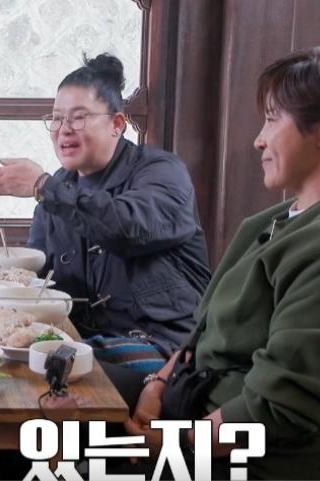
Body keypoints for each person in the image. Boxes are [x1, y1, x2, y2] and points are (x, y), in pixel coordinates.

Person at [122, 47, 320, 480]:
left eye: (272, 119)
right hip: (193, 403)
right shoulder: (269, 223)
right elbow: (202, 332)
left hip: (249, 457)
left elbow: (277, 405)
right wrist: (157, 386)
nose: (258, 139)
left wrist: (172, 444)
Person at [0, 54, 210, 374]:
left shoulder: (162, 171)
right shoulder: (58, 188)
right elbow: (39, 281)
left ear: (116, 124)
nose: (63, 130)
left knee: (46, 370)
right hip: (86, 339)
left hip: (166, 349)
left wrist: (43, 187)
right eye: (57, 119)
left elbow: (126, 227)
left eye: (79, 117)